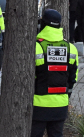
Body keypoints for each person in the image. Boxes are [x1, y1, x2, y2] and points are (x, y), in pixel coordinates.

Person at [31, 9, 78, 137]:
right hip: (61, 105)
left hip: (38, 104)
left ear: (43, 24)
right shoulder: (71, 48)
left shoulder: (36, 47)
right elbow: (73, 78)